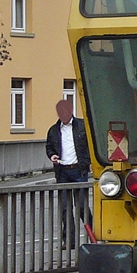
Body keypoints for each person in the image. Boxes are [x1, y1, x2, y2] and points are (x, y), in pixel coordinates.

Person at [46, 99, 91, 248]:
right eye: (60, 112)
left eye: (65, 112)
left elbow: (90, 145)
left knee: (82, 206)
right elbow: (49, 147)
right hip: (62, 171)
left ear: (71, 111)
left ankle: (94, 235)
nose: (63, 115)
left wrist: (89, 162)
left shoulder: (82, 126)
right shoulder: (54, 130)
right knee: (65, 208)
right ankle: (69, 240)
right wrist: (52, 155)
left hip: (79, 170)